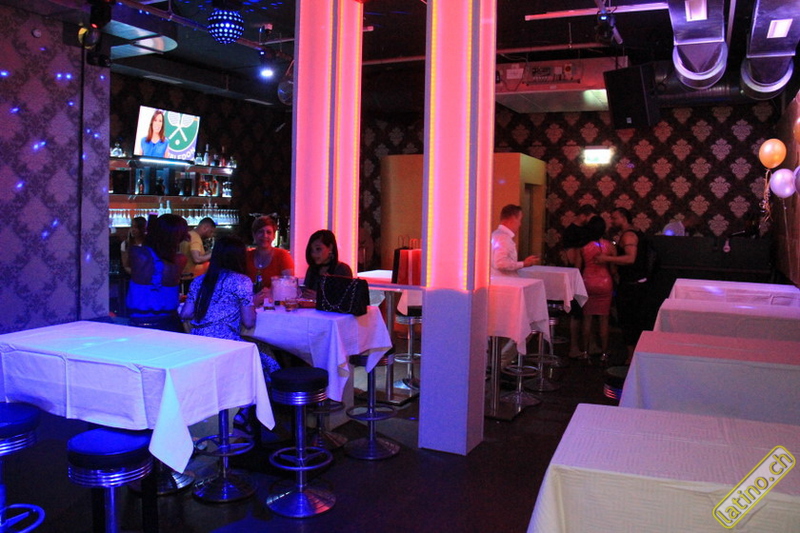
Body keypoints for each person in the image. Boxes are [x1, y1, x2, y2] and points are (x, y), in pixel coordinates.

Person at [180, 235, 281, 382]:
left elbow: (186, 313)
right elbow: (249, 322)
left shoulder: (199, 281)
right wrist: (251, 303)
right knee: (267, 356)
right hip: (226, 344)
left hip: (197, 342)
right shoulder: (241, 281)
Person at [596, 207, 649, 364]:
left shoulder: (629, 235)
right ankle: (635, 355)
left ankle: (631, 357)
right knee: (634, 320)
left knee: (629, 320)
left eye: (615, 218)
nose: (612, 221)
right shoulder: (635, 231)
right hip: (637, 284)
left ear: (624, 217)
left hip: (632, 285)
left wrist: (607, 259)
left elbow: (630, 258)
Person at [127, 213, 188, 332]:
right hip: (170, 322)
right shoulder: (180, 260)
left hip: (140, 322)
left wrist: (149, 230)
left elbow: (142, 245)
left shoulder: (138, 254)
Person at [575, 216, 616, 364]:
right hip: (605, 282)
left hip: (588, 281)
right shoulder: (609, 246)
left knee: (587, 318)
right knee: (604, 319)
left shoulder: (583, 247)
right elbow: (613, 269)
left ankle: (585, 352)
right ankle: (604, 353)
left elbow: (577, 268)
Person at [561, 205, 598, 357]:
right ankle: (574, 347)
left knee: (589, 310)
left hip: (587, 273)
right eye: (590, 218)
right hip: (575, 274)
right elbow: (571, 258)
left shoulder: (586, 230)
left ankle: (590, 344)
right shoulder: (571, 232)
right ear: (583, 215)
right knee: (576, 312)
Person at [246, 215, 294, 306]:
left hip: (275, 307)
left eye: (268, 232)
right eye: (260, 232)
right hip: (250, 305)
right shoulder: (246, 256)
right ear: (254, 235)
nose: (265, 235)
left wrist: (272, 292)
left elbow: (289, 285)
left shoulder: (282, 255)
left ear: (274, 236)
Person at [301, 229, 353, 299]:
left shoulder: (342, 269)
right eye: (311, 250)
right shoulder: (312, 269)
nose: (314, 254)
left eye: (318, 249)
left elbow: (345, 298)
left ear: (330, 247)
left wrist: (321, 297)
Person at [491, 204, 539, 276]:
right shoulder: (504, 238)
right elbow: (500, 263)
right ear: (513, 219)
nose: (520, 224)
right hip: (505, 280)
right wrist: (524, 264)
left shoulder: (494, 234)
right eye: (519, 220)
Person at [180, 217, 216, 281]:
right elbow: (197, 259)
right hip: (192, 278)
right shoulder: (195, 237)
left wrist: (206, 254)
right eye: (211, 231)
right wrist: (214, 253)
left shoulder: (190, 234)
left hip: (186, 276)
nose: (211, 235)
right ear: (205, 227)